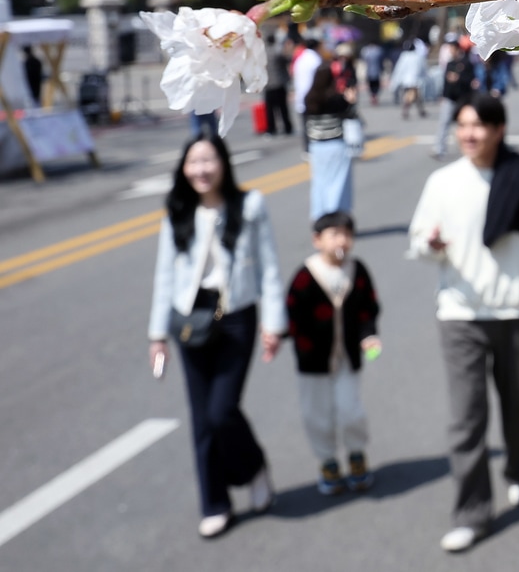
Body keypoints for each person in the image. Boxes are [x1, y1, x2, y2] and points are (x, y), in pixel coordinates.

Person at [408, 95, 519, 553]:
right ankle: (472, 513)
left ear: (499, 129)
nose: (468, 134)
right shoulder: (442, 182)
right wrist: (430, 245)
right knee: (467, 419)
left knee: (518, 405)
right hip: (459, 315)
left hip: (514, 313)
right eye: (462, 125)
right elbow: (419, 240)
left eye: (478, 126)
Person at [146, 132, 283, 538]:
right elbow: (165, 276)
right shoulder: (177, 212)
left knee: (222, 411)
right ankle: (215, 503)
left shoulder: (250, 205)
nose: (201, 169)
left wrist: (273, 324)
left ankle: (253, 467)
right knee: (202, 417)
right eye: (193, 162)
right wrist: (157, 336)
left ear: (224, 163)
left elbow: (269, 267)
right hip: (190, 320)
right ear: (183, 168)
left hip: (237, 316)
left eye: (208, 160)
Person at [285, 211, 381, 496]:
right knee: (316, 414)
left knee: (350, 410)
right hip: (313, 361)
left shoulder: (357, 270)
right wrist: (278, 334)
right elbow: (291, 314)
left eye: (348, 234)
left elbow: (369, 308)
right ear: (317, 240)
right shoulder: (305, 276)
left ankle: (356, 454)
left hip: (347, 358)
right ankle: (327, 461)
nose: (342, 240)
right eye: (335, 234)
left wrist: (369, 336)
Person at [305, 65, 358, 220]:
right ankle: (335, 216)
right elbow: (351, 115)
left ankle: (319, 215)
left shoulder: (309, 98)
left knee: (319, 182)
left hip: (316, 146)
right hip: (335, 144)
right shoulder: (335, 98)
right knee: (338, 182)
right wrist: (351, 101)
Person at [433, 34, 476, 160]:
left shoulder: (466, 62)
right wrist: (443, 95)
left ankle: (466, 150)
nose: (451, 51)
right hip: (450, 97)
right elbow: (445, 82)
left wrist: (459, 78)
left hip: (462, 98)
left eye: (452, 48)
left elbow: (470, 79)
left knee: (464, 124)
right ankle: (439, 149)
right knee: (444, 122)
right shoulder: (450, 63)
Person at [292, 33, 325, 153]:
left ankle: (307, 150)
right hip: (314, 98)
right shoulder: (315, 59)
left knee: (306, 127)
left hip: (302, 98)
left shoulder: (300, 59)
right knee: (317, 127)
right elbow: (321, 81)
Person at [264, 38, 295, 137]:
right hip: (279, 83)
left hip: (268, 84)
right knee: (283, 108)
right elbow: (288, 60)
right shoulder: (277, 51)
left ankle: (271, 129)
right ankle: (287, 127)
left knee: (270, 109)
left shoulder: (263, 53)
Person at [390, 39, 428, 120]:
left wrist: (396, 80)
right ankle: (409, 110)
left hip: (406, 81)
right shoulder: (418, 56)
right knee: (412, 96)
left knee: (415, 96)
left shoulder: (404, 56)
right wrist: (424, 77)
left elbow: (399, 69)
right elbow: (423, 68)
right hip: (415, 80)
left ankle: (419, 110)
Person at [361, 42, 385, 106]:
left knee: (371, 85)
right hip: (377, 71)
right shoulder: (379, 51)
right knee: (376, 85)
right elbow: (381, 61)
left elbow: (364, 60)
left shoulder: (366, 51)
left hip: (369, 71)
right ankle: (375, 95)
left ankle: (372, 96)